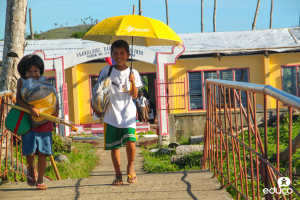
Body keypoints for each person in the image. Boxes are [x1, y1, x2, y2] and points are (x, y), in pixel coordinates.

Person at [92, 40, 143, 185]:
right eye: (115, 53)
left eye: (122, 53)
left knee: (131, 142)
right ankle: (118, 174)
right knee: (114, 146)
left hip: (128, 115)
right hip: (110, 115)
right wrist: (96, 106)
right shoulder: (106, 70)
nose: (119, 56)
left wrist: (132, 81)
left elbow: (134, 95)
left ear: (128, 54)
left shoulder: (134, 72)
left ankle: (130, 168)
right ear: (111, 54)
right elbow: (98, 91)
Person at [16, 54, 59, 190]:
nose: (33, 74)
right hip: (28, 121)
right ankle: (30, 168)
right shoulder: (21, 82)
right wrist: (30, 108)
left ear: (40, 70)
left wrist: (56, 112)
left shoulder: (45, 81)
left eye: (36, 71)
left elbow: (53, 96)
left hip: (45, 121)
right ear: (23, 71)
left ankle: (40, 180)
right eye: (29, 71)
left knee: (43, 151)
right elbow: (18, 100)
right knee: (29, 151)